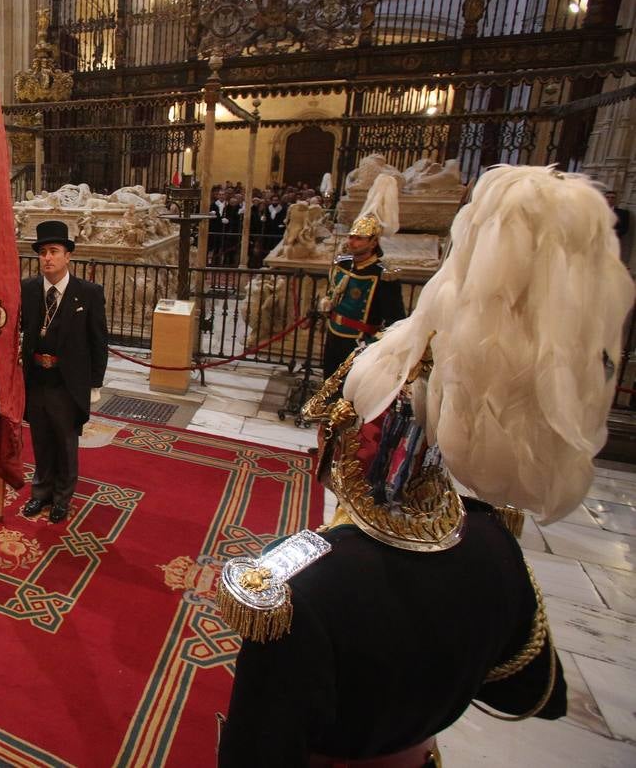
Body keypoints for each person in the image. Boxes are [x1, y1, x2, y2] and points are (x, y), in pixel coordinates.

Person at [215, 165, 635, 766]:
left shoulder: (299, 589)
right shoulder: (494, 546)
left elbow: (259, 750)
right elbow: (527, 692)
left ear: (348, 447)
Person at [18, 221, 108, 525]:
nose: (47, 258)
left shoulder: (88, 293)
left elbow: (99, 342)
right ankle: (40, 492)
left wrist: (95, 383)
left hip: (67, 382)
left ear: (68, 256)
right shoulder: (28, 289)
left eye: (54, 251)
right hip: (36, 379)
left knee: (66, 442)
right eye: (43, 252)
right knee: (41, 440)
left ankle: (61, 497)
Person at [321, 175, 405, 378]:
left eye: (359, 238)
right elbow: (333, 292)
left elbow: (395, 320)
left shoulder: (383, 274)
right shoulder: (342, 263)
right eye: (351, 236)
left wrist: (374, 343)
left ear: (373, 242)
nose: (352, 242)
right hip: (334, 332)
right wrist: (326, 302)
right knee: (328, 379)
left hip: (359, 341)